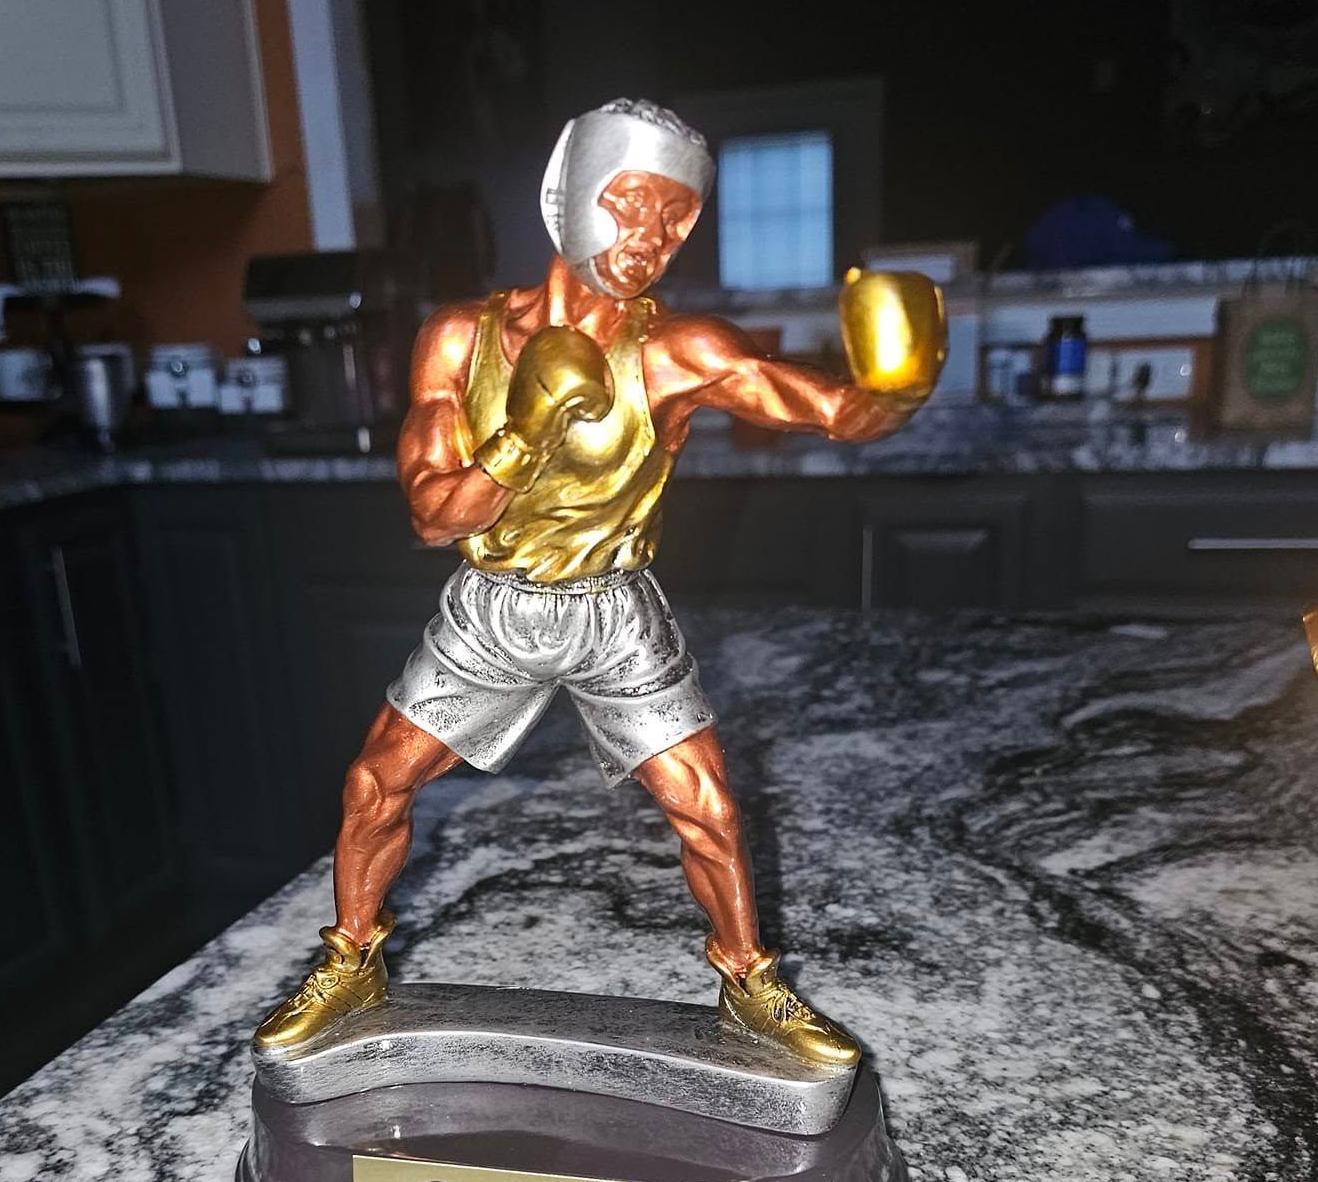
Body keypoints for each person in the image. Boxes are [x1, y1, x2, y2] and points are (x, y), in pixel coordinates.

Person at [254, 98, 942, 1068]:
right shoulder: (461, 339)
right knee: (375, 782)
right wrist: (526, 430)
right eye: (629, 204)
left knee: (707, 804)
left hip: (614, 609)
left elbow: (825, 409)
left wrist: (896, 388)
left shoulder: (676, 352)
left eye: (675, 219)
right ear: (567, 200)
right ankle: (353, 958)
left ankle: (749, 981)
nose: (649, 238)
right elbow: (432, 515)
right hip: (494, 607)